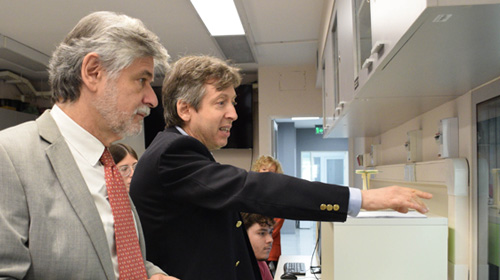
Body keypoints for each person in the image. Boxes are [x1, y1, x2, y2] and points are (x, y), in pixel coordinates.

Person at [129, 55, 432, 280]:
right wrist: (363, 199)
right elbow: (256, 188)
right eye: (221, 102)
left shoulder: (182, 151)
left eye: (233, 102)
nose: (234, 113)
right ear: (185, 109)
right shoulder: (173, 154)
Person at [0, 11, 178, 280]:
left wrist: (152, 274)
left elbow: (112, 260)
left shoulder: (106, 165)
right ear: (93, 72)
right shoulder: (10, 156)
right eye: (142, 79)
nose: (152, 98)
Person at [251, 155, 285, 276]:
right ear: (257, 171)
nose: (267, 174)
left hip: (270, 250)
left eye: (271, 171)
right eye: (264, 169)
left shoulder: (278, 195)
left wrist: (260, 235)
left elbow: (276, 224)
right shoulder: (251, 192)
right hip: (253, 248)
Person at [241, 213, 276, 280]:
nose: (270, 240)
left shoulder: (261, 264)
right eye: (262, 233)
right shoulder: (231, 270)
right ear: (243, 235)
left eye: (270, 232)